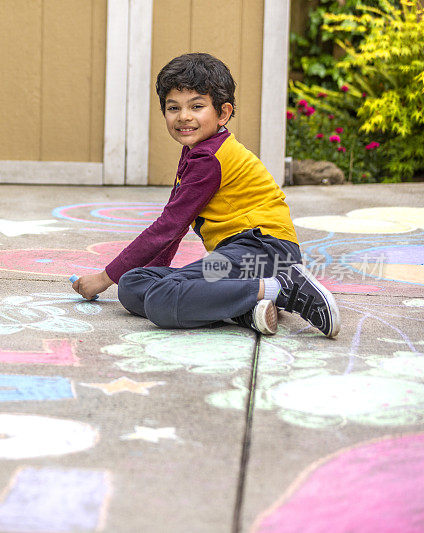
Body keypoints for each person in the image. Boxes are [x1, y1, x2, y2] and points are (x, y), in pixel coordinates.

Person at [72, 52, 340, 338]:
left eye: (197, 106)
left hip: (263, 252)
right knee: (133, 284)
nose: (184, 117)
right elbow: (175, 228)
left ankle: (284, 289)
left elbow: (167, 227)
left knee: (161, 301)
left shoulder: (209, 159)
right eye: (173, 108)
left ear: (222, 113)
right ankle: (247, 310)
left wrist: (103, 278)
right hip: (240, 254)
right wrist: (163, 277)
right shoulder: (198, 151)